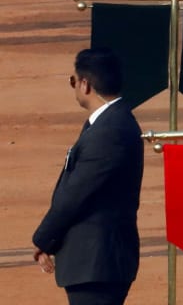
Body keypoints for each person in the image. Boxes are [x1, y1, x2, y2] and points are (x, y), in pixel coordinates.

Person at [32, 49, 144, 305]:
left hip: (97, 261)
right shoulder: (107, 123)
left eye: (73, 81)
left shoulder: (110, 130)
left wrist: (44, 238)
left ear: (85, 84)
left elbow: (76, 192)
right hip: (96, 261)